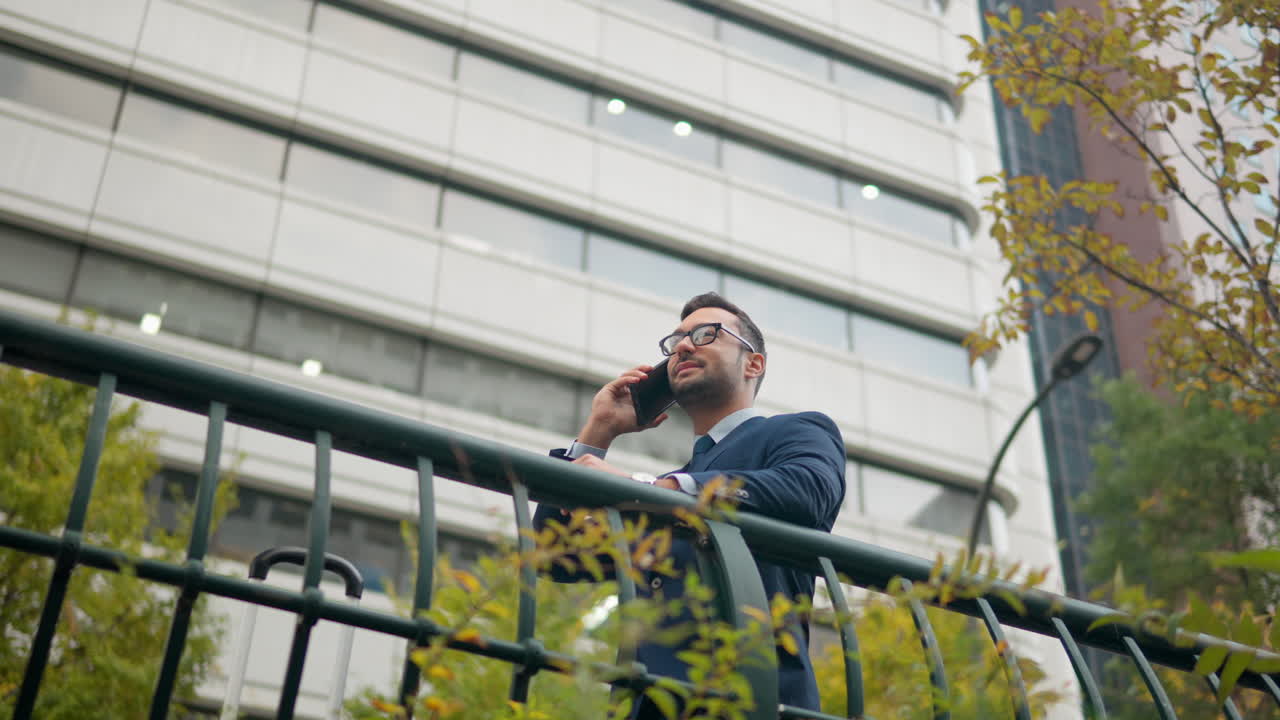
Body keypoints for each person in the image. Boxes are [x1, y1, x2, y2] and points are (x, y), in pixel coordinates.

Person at [533, 292, 846, 717]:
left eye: (705, 334)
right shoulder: (665, 490)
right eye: (676, 340)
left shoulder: (795, 431)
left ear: (754, 363)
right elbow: (555, 556)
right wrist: (598, 431)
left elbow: (807, 489)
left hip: (749, 699)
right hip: (650, 704)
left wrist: (651, 487)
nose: (682, 346)